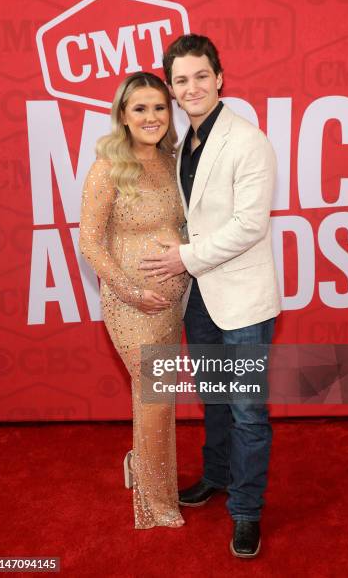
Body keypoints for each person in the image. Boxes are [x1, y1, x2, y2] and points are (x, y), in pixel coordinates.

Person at [140, 35, 281, 556]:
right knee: (215, 398)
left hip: (242, 298)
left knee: (247, 410)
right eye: (181, 80)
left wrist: (183, 258)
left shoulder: (247, 140)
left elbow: (249, 225)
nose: (192, 86)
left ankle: (246, 511)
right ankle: (217, 475)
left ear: (219, 77)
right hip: (200, 296)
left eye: (201, 75)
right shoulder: (185, 144)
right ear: (173, 90)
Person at [79, 72, 190, 529]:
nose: (151, 117)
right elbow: (90, 242)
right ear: (123, 115)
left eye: (159, 107)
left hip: (173, 301)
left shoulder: (172, 161)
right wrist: (130, 291)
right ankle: (156, 502)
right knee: (156, 397)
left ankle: (142, 466)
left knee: (160, 397)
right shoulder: (108, 167)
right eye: (140, 108)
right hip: (132, 305)